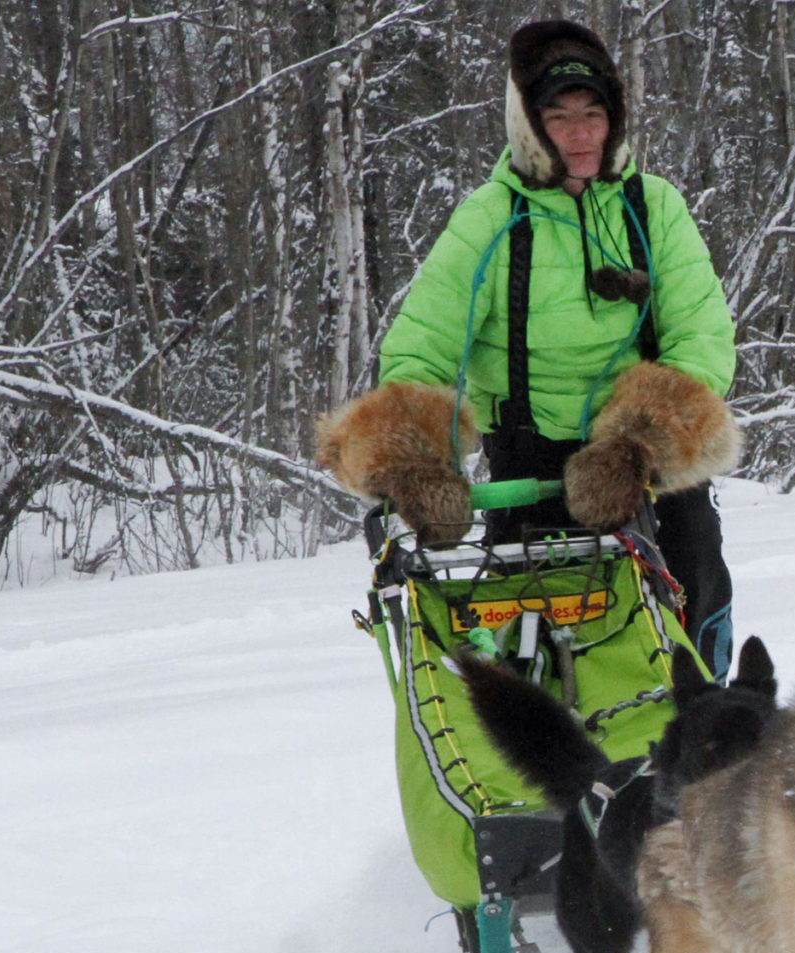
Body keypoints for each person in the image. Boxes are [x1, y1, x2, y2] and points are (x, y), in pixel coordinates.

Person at [316, 19, 741, 671]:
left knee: (691, 625)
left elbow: (702, 341)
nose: (579, 133)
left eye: (594, 113)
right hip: (530, 475)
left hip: (647, 473)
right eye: (559, 115)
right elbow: (420, 352)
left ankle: (709, 736)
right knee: (539, 673)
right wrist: (418, 464)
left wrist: (637, 447)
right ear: (528, 125)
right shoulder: (490, 220)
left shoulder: (653, 208)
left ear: (616, 119)